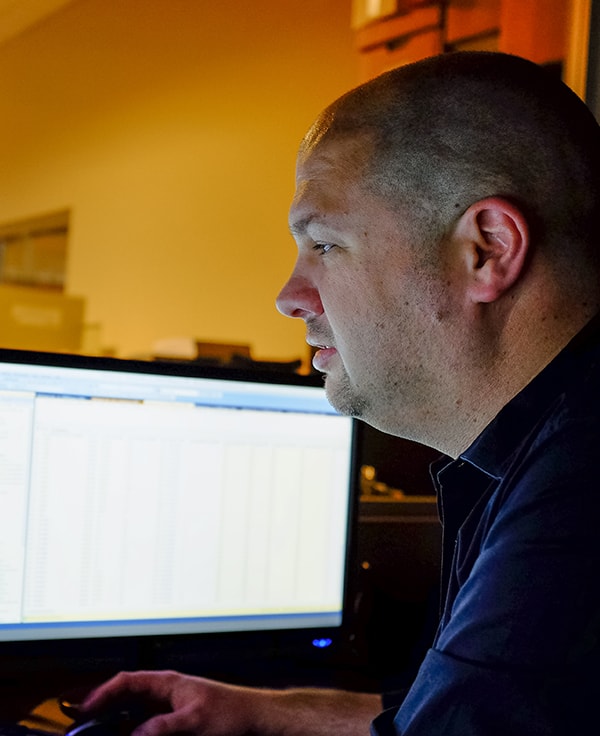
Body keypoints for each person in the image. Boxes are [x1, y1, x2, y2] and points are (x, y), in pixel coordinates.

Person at [82, 51, 600, 735]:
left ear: (489, 250)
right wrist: (269, 712)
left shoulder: (576, 509)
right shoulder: (550, 447)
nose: (288, 298)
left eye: (323, 245)